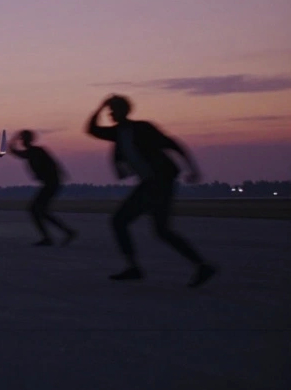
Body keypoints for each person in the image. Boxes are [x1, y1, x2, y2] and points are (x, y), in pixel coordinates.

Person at [86, 95, 217, 287]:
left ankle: (134, 267)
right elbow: (91, 129)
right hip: (152, 183)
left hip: (160, 181)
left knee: (120, 221)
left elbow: (173, 144)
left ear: (123, 111)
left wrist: (192, 168)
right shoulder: (117, 133)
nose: (110, 114)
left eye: (113, 110)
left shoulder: (142, 128)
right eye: (109, 110)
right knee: (161, 230)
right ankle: (202, 265)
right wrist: (100, 106)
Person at [8, 130, 77, 246]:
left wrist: (14, 138)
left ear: (26, 140)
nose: (22, 142)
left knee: (35, 210)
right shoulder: (35, 151)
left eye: (23, 139)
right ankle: (66, 232)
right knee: (40, 211)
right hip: (51, 183)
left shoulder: (35, 151)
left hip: (51, 184)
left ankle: (52, 237)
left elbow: (14, 152)